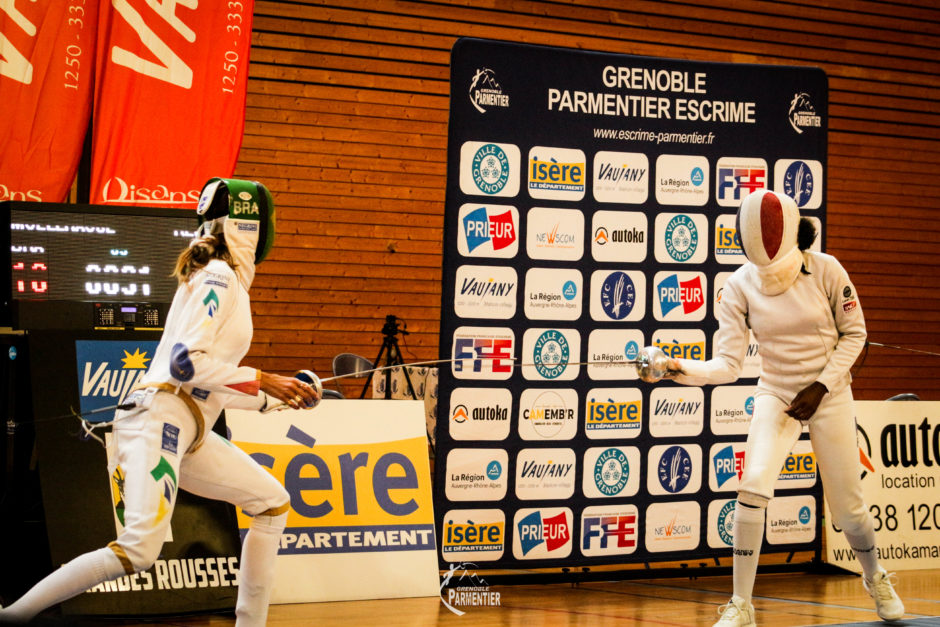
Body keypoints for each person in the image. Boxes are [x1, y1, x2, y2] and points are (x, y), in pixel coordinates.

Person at [0, 178, 318, 625]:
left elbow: (206, 385)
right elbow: (184, 364)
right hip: (158, 418)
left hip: (189, 428)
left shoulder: (226, 282)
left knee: (271, 503)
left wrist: (280, 397)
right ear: (249, 225)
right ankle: (12, 615)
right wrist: (265, 379)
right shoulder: (218, 277)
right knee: (139, 550)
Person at [658, 189, 903, 626]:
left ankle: (876, 577)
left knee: (848, 510)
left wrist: (822, 385)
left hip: (827, 393)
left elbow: (856, 334)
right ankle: (741, 605)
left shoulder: (827, 269)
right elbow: (728, 364)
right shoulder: (738, 285)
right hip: (777, 392)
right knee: (752, 485)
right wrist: (677, 367)